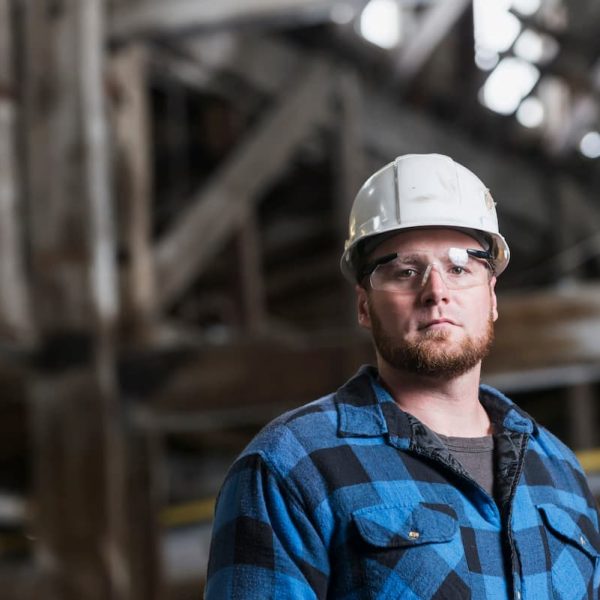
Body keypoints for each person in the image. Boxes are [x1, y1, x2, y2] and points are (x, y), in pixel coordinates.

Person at [205, 154, 600, 599]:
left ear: (491, 298)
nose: (436, 292)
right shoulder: (292, 467)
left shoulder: (558, 470)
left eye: (459, 268)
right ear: (362, 305)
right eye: (405, 271)